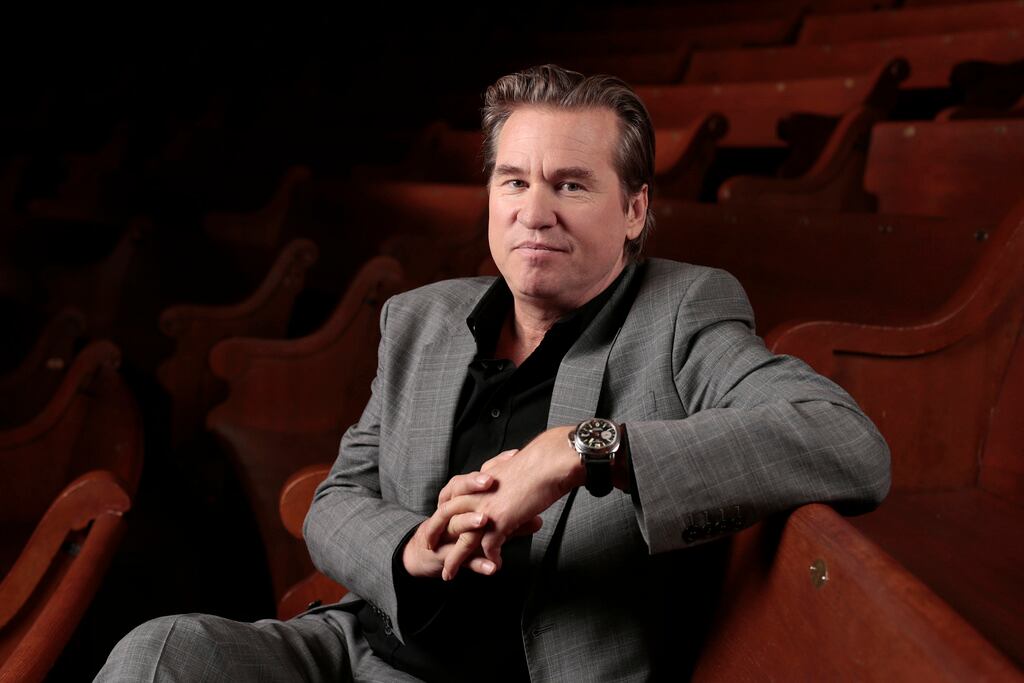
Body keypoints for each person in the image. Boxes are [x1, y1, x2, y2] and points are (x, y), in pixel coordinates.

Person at [96, 64, 890, 682]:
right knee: (159, 653)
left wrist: (581, 448)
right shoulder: (422, 319)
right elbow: (337, 498)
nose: (533, 212)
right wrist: (412, 547)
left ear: (635, 209)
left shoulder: (681, 314)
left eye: (570, 184)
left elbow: (846, 441)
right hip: (361, 650)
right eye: (514, 180)